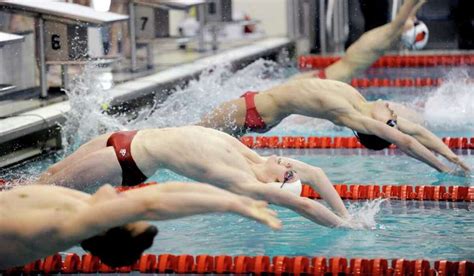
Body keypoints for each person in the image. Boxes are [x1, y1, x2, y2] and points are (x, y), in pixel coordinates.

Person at [38, 126, 351, 228]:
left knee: (48, 192)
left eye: (288, 173)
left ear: (275, 184)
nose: (288, 164)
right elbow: (315, 174)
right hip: (128, 136)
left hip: (126, 160)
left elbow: (304, 206)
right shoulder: (254, 157)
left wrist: (344, 226)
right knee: (46, 175)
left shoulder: (243, 181)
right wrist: (346, 212)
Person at [198, 78, 470, 176]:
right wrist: (453, 156)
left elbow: (406, 141)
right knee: (202, 145)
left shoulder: (350, 115)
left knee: (192, 136)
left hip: (251, 112)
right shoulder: (362, 103)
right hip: (257, 108)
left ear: (377, 127)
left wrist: (443, 169)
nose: (391, 110)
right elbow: (417, 133)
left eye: (390, 121)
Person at [0, 181, 281, 269]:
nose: (124, 199)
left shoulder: (65, 225)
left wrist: (232, 207)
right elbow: (162, 192)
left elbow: (148, 205)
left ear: (111, 223)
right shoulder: (83, 207)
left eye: (124, 212)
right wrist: (236, 199)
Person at [293, 0, 426, 82]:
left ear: (405, 31)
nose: (413, 20)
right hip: (323, 78)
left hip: (326, 82)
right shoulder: (386, 34)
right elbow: (409, 12)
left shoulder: (388, 35)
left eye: (414, 23)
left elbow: (407, 7)